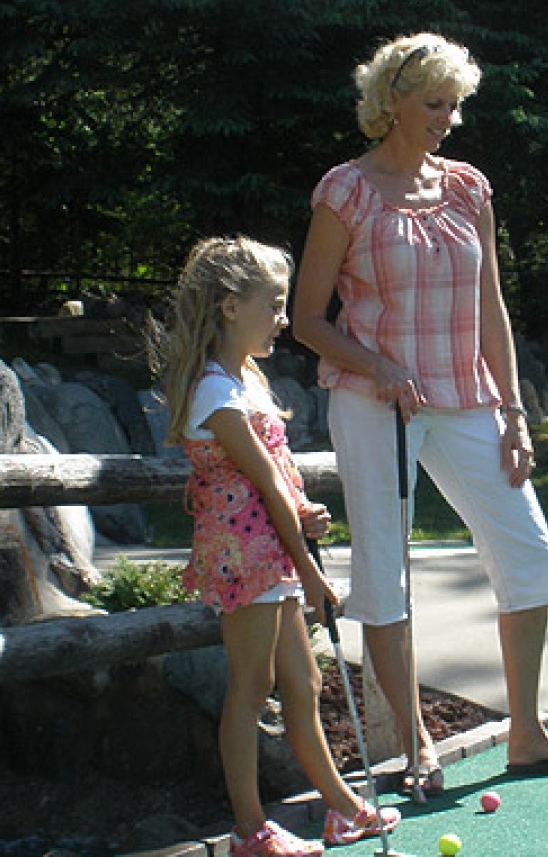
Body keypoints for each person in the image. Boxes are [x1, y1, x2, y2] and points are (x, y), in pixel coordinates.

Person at [292, 31, 548, 790]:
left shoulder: (469, 188)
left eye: (455, 105)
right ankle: (416, 747)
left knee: (529, 557)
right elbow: (306, 319)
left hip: (468, 396)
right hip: (376, 401)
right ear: (393, 102)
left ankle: (527, 736)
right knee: (384, 572)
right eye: (435, 103)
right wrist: (376, 365)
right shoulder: (346, 190)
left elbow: (490, 307)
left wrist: (514, 412)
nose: (449, 118)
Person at [158, 236, 401, 855]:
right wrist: (310, 572)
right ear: (230, 306)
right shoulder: (215, 391)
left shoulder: (247, 380)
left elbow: (278, 481)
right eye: (273, 305)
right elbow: (263, 484)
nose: (284, 319)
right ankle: (250, 830)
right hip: (245, 557)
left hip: (272, 550)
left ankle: (342, 808)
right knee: (251, 685)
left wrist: (304, 511)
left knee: (304, 682)